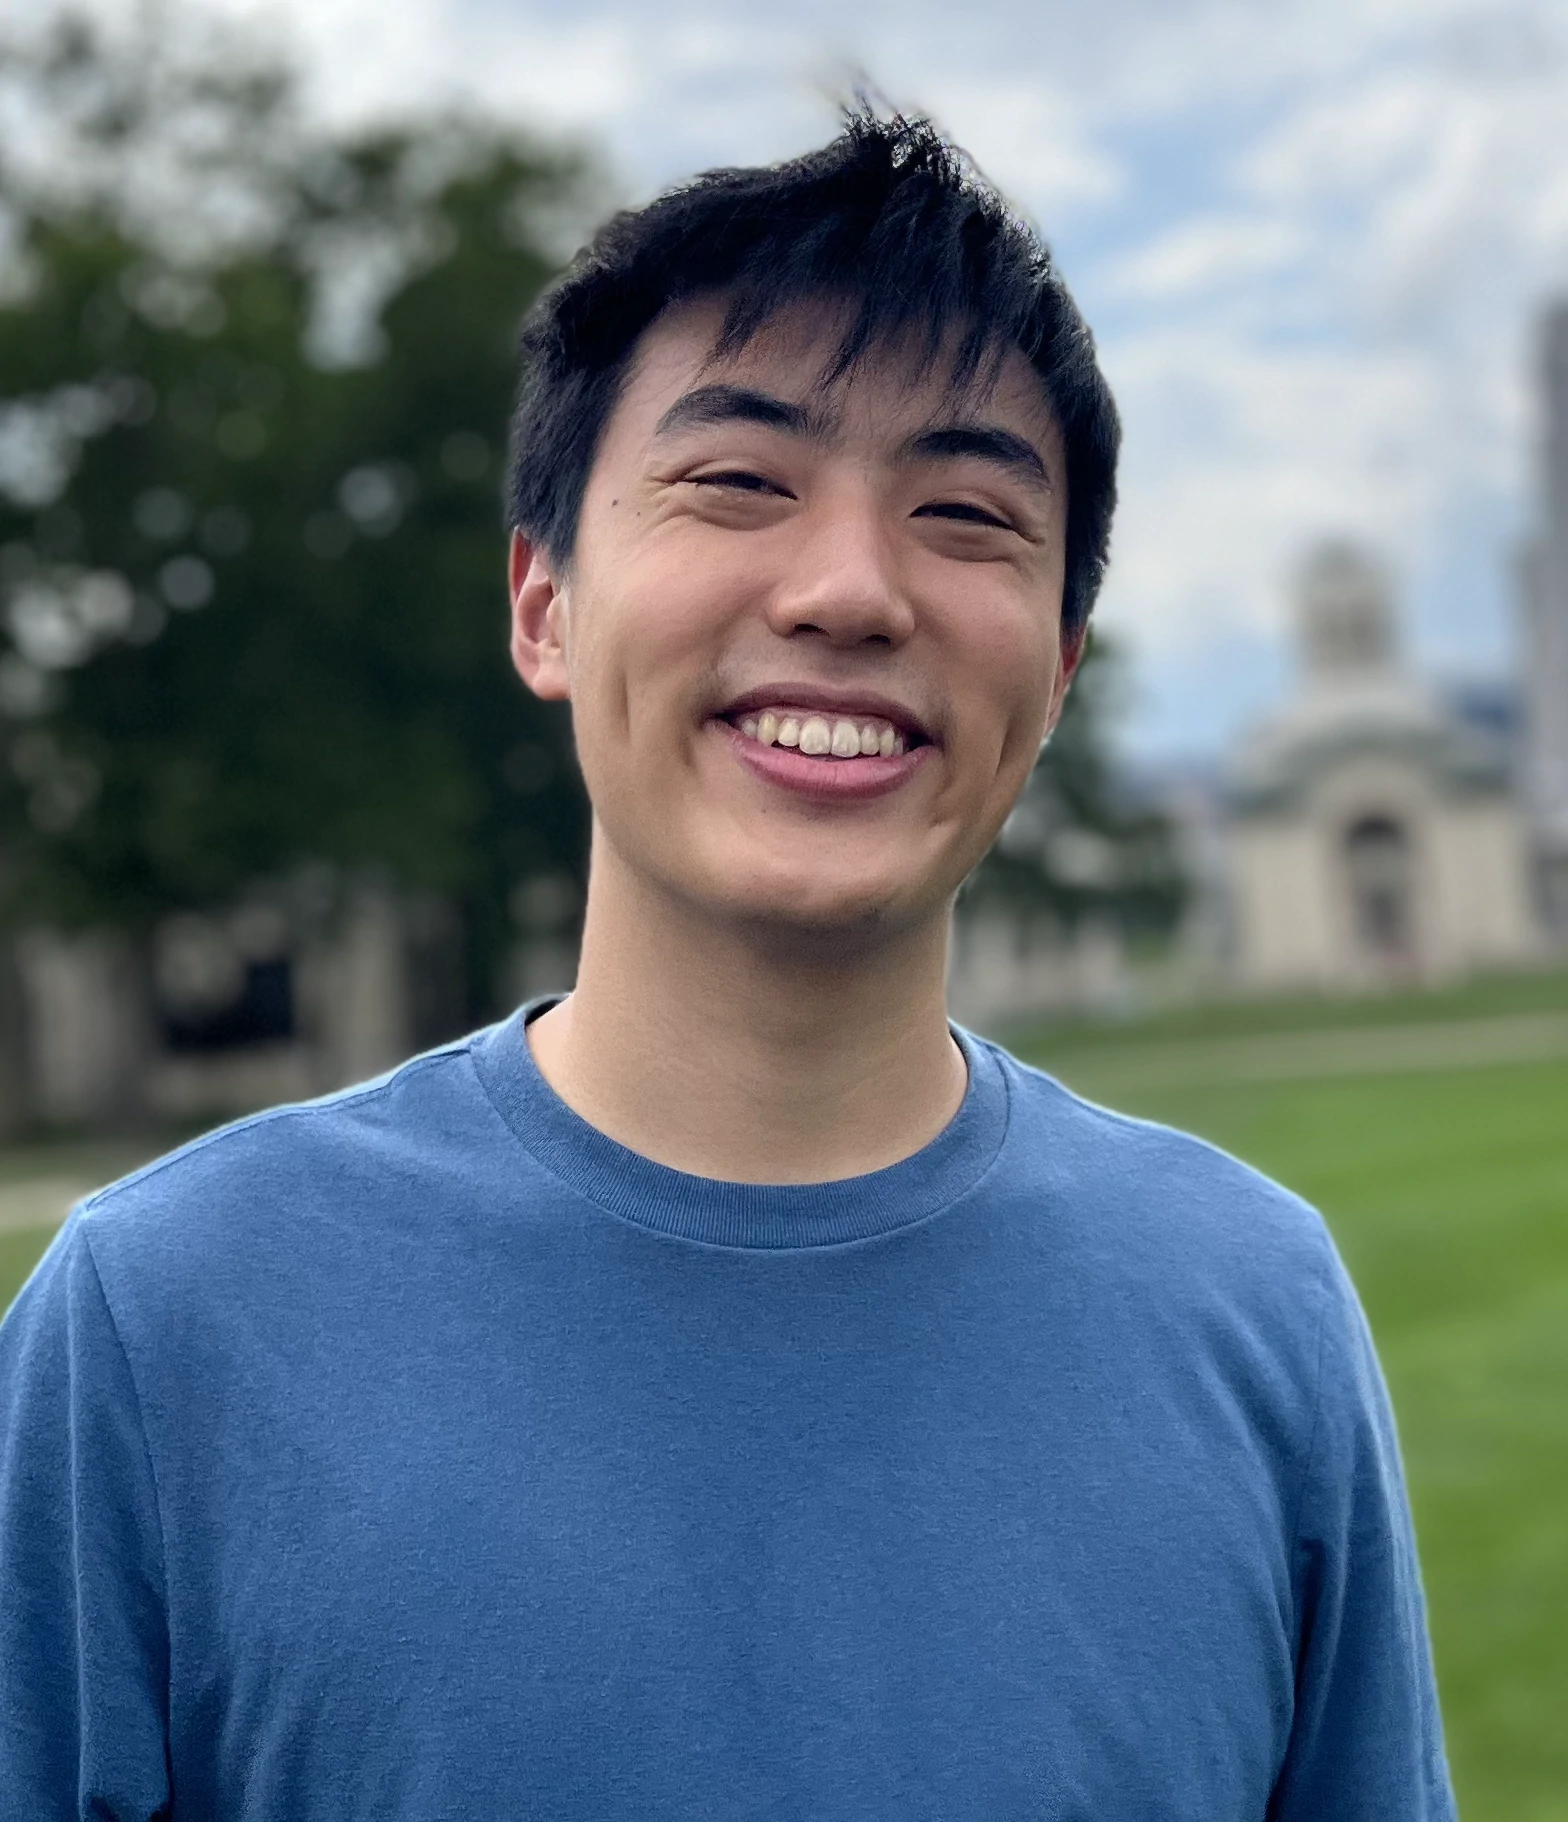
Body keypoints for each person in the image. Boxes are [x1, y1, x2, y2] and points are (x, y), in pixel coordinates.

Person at [0, 111, 1455, 1820]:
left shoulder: (1259, 1312)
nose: (850, 588)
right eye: (739, 480)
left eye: (968, 510)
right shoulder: (160, 1324)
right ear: (544, 603)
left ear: (1056, 676)